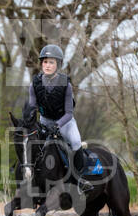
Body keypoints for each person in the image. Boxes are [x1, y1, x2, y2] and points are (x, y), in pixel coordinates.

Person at [28, 44, 94, 194]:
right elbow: (32, 107)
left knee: (76, 142)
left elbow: (69, 113)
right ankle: (29, 175)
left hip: (64, 121)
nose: (47, 65)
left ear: (57, 65)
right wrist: (31, 120)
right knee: (32, 143)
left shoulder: (66, 85)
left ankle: (79, 180)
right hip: (44, 121)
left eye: (51, 62)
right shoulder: (34, 83)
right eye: (45, 62)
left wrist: (57, 126)